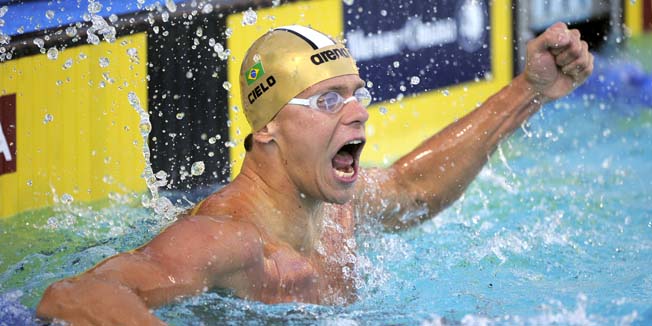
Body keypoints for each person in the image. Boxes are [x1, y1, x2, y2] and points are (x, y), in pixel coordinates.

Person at [36, 22, 593, 325]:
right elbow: (73, 295)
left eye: (357, 95)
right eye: (328, 101)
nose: (357, 113)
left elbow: (412, 189)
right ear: (267, 130)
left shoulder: (335, 209)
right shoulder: (229, 239)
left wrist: (530, 91)